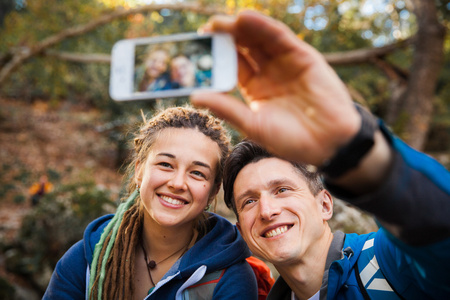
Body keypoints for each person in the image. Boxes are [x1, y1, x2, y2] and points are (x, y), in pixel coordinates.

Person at [190, 10, 450, 300]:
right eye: (249, 201)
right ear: (242, 231)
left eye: (282, 189)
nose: (267, 211)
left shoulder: (388, 259)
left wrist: (355, 148)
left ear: (325, 204)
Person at [43, 106, 258, 299]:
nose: (177, 183)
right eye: (165, 164)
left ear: (213, 190)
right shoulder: (86, 260)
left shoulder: (229, 279)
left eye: (197, 173)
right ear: (139, 170)